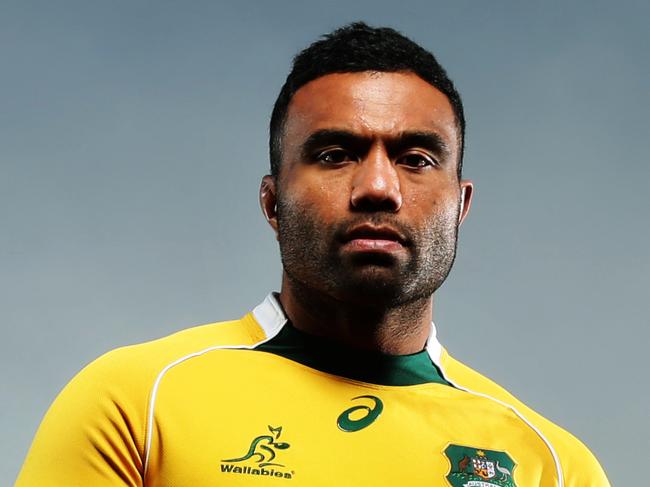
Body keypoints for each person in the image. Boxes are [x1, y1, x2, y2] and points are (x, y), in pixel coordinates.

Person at [16, 22, 610, 487]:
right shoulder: (134, 403)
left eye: (416, 158)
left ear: (461, 204)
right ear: (273, 204)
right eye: (334, 153)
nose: (378, 185)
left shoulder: (552, 466)